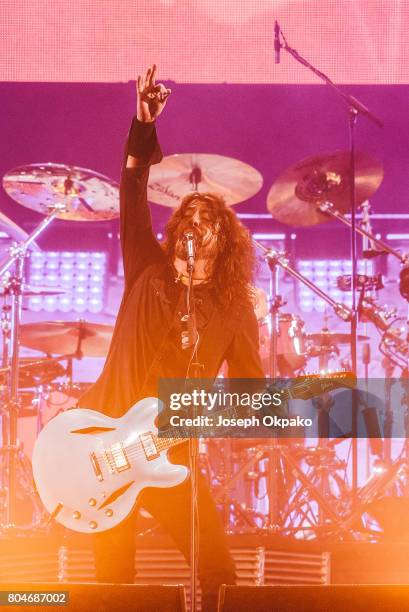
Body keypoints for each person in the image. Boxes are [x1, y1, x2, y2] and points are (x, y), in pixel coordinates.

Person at [79, 64, 265, 612]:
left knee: (217, 572)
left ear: (224, 238)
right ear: (176, 226)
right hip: (106, 441)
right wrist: (141, 126)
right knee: (114, 576)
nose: (195, 220)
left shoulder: (234, 310)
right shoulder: (147, 266)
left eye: (208, 216)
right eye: (188, 213)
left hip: (168, 450)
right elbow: (133, 189)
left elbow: (251, 393)